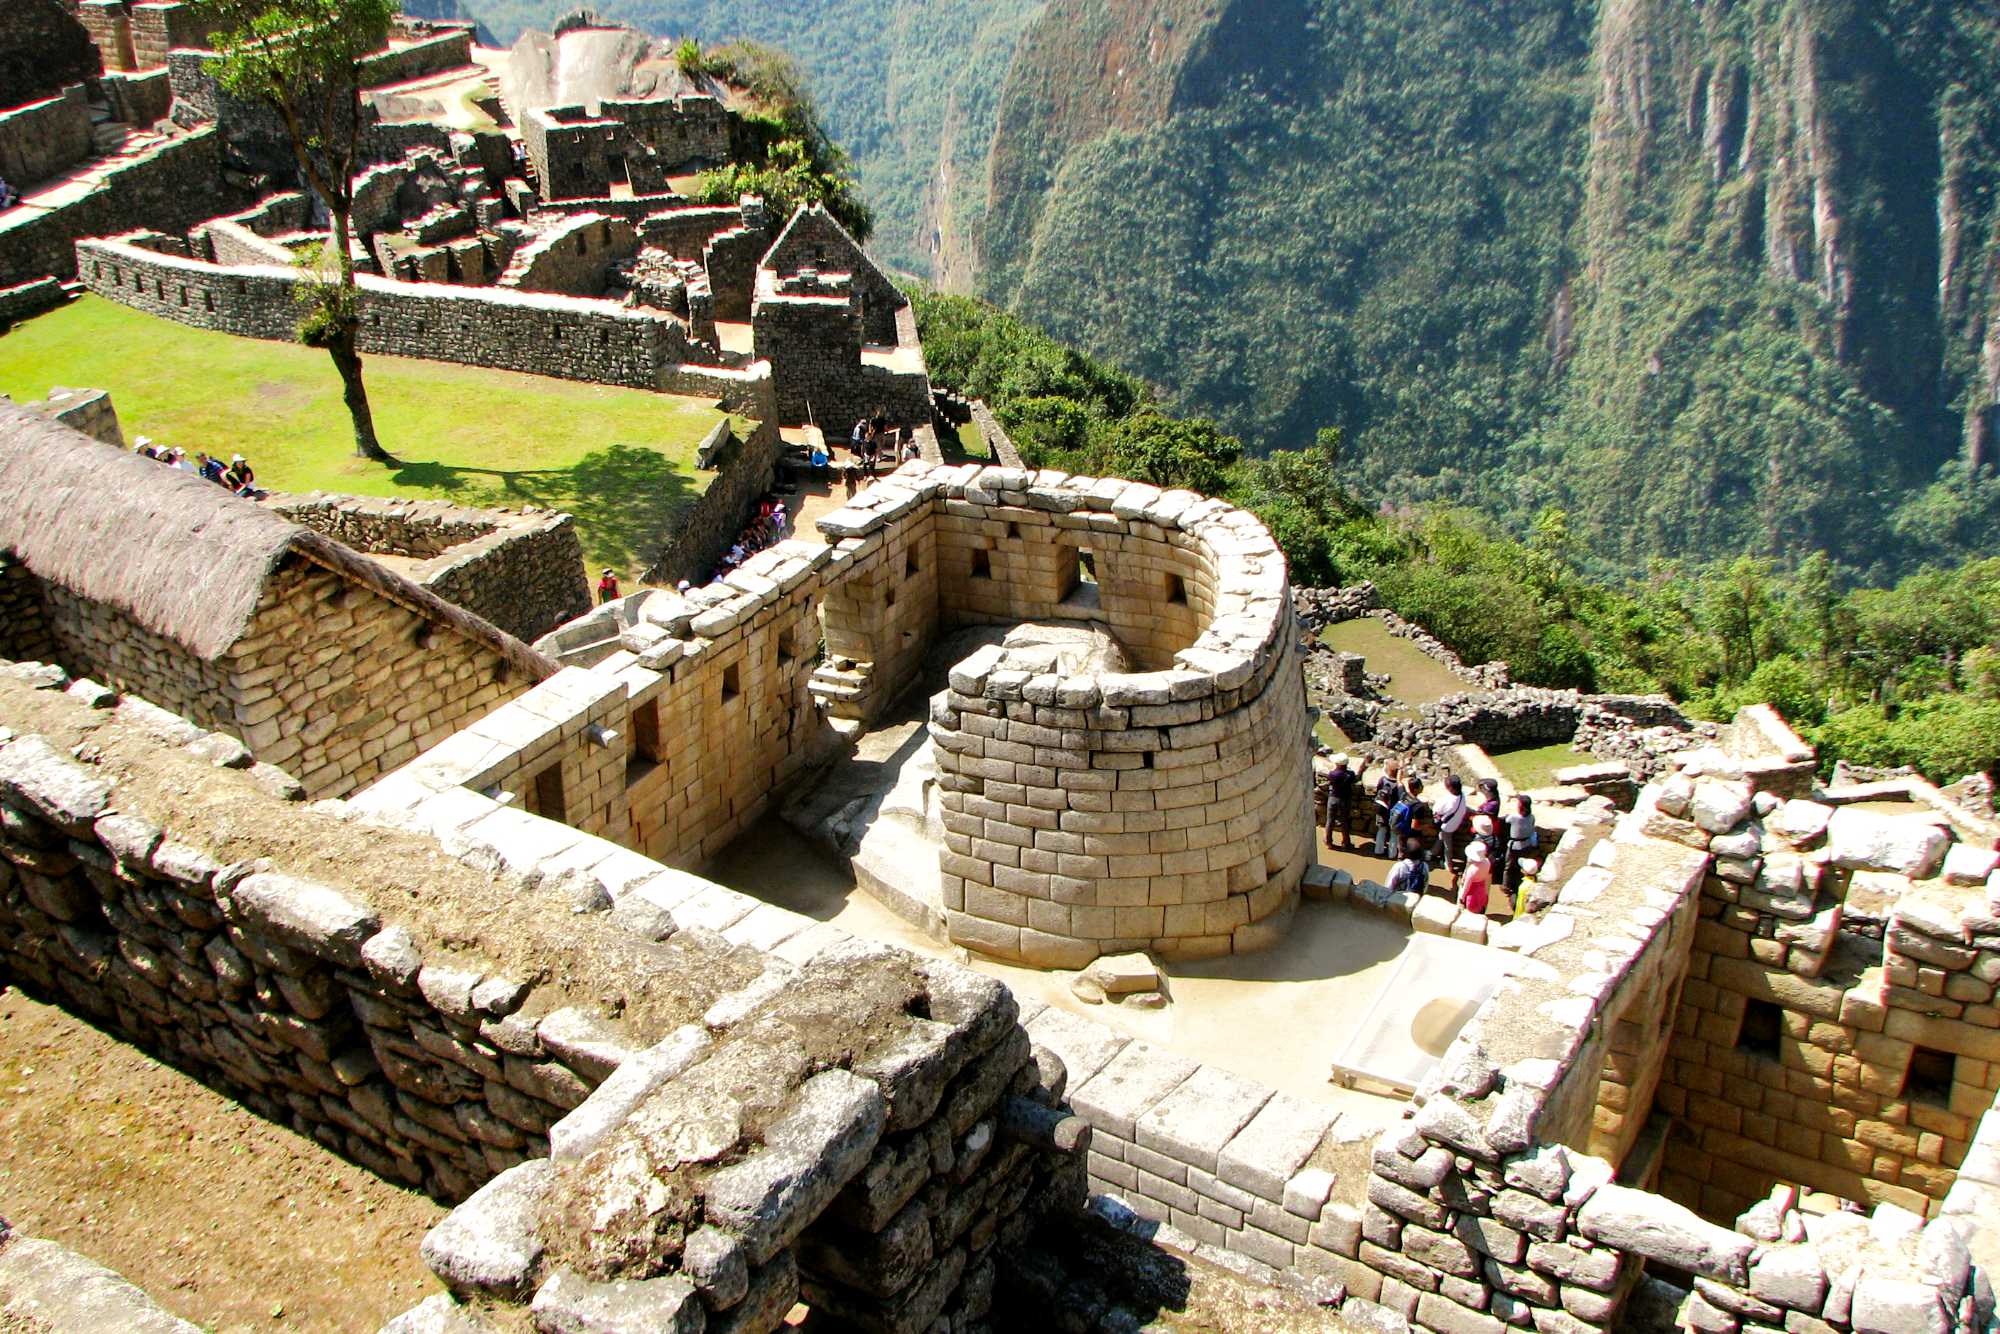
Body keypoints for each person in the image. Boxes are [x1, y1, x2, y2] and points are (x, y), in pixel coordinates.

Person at [1434, 773, 1468, 885]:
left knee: (1448, 845)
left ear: (1451, 788)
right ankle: (1433, 852)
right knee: (1442, 837)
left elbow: (1436, 810)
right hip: (1455, 823)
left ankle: (1449, 865)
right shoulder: (1462, 795)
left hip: (1447, 826)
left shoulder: (1448, 799)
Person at [1502, 793, 1538, 895]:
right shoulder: (1531, 817)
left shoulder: (1514, 817)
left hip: (1514, 846)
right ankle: (1519, 884)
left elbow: (1506, 820)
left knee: (1508, 867)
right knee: (1520, 866)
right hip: (1527, 844)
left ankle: (1506, 886)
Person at [1322, 754, 1357, 851]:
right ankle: (1346, 843)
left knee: (1330, 821)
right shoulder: (1350, 774)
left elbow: (1330, 778)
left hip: (1333, 798)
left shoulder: (1332, 774)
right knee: (1344, 821)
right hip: (1345, 800)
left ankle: (1328, 842)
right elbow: (1355, 778)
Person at [1372, 758, 1404, 857]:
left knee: (1381, 830)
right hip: (1394, 812)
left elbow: (1377, 790)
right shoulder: (1398, 786)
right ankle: (1392, 854)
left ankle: (1378, 851)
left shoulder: (1383, 780)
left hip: (1382, 810)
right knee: (1393, 833)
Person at [1459, 841, 1492, 917]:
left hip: (1472, 895)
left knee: (1470, 915)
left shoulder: (1472, 870)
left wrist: (1461, 898)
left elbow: (1466, 887)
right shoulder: (1487, 862)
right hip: (1481, 890)